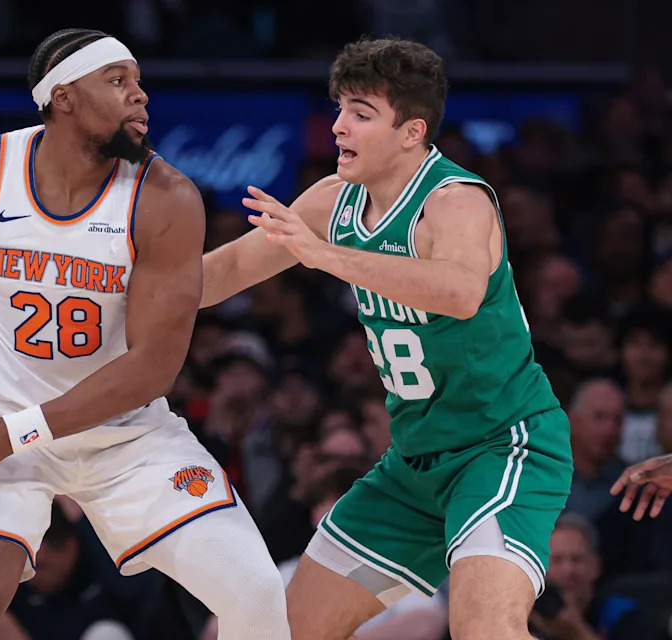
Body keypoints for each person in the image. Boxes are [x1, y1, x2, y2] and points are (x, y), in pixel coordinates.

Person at [0, 28, 289, 640]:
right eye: (118, 81)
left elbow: (152, 366)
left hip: (123, 435)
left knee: (256, 594)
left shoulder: (167, 199)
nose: (140, 96)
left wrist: (11, 433)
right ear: (63, 96)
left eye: (140, 82)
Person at [202, 37, 573, 640]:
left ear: (412, 131)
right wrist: (103, 279)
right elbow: (215, 278)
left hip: (501, 446)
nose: (340, 126)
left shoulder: (456, 201)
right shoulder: (330, 201)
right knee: (283, 631)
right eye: (341, 107)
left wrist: (326, 256)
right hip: (413, 464)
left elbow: (458, 293)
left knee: (484, 630)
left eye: (362, 113)